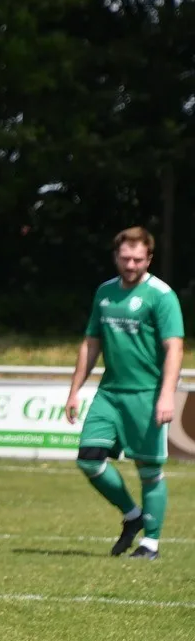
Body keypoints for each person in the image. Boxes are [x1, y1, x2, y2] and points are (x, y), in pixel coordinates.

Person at [66, 227, 184, 559]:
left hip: (147, 395)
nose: (130, 265)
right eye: (125, 258)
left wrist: (166, 395)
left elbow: (174, 348)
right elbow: (91, 343)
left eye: (137, 259)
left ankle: (151, 543)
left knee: (148, 470)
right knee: (89, 460)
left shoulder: (161, 295)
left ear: (149, 259)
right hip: (109, 394)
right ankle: (133, 516)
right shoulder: (105, 292)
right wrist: (74, 391)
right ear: (116, 257)